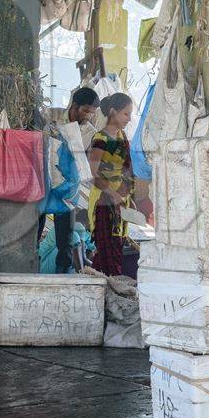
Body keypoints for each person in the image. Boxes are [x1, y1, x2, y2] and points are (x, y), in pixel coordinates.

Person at [42, 87, 99, 274]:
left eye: (92, 113)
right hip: (45, 178)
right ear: (74, 106)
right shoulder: (52, 115)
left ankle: (62, 271)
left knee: (65, 233)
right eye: (85, 111)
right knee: (36, 221)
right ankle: (31, 264)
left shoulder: (90, 131)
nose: (88, 116)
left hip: (68, 186)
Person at [87, 93, 134, 277]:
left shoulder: (122, 137)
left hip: (121, 202)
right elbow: (93, 174)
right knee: (109, 253)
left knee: (114, 250)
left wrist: (126, 194)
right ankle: (113, 287)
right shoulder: (100, 138)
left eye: (130, 115)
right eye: (126, 114)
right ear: (113, 112)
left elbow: (128, 170)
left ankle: (100, 287)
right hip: (103, 203)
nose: (129, 119)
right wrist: (113, 194)